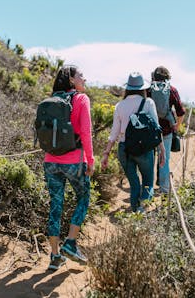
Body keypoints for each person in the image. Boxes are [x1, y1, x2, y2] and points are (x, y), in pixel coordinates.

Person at [43, 65, 94, 271]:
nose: (84, 78)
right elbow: (86, 132)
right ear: (72, 80)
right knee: (83, 198)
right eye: (81, 75)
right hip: (74, 161)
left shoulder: (50, 100)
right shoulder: (81, 99)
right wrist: (90, 160)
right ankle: (71, 243)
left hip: (50, 161)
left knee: (55, 206)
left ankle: (55, 256)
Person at [101, 72, 165, 213]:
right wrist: (162, 149)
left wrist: (106, 153)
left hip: (124, 148)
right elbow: (156, 127)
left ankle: (135, 209)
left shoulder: (120, 105)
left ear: (128, 87)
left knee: (134, 183)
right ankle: (142, 208)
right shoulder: (148, 102)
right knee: (148, 181)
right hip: (145, 149)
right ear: (143, 88)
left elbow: (114, 133)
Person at [150, 66, 185, 195]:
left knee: (149, 159)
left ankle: (148, 190)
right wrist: (177, 126)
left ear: (154, 76)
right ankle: (164, 190)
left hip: (150, 130)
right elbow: (181, 112)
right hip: (166, 130)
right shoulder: (172, 90)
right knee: (164, 159)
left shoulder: (148, 89)